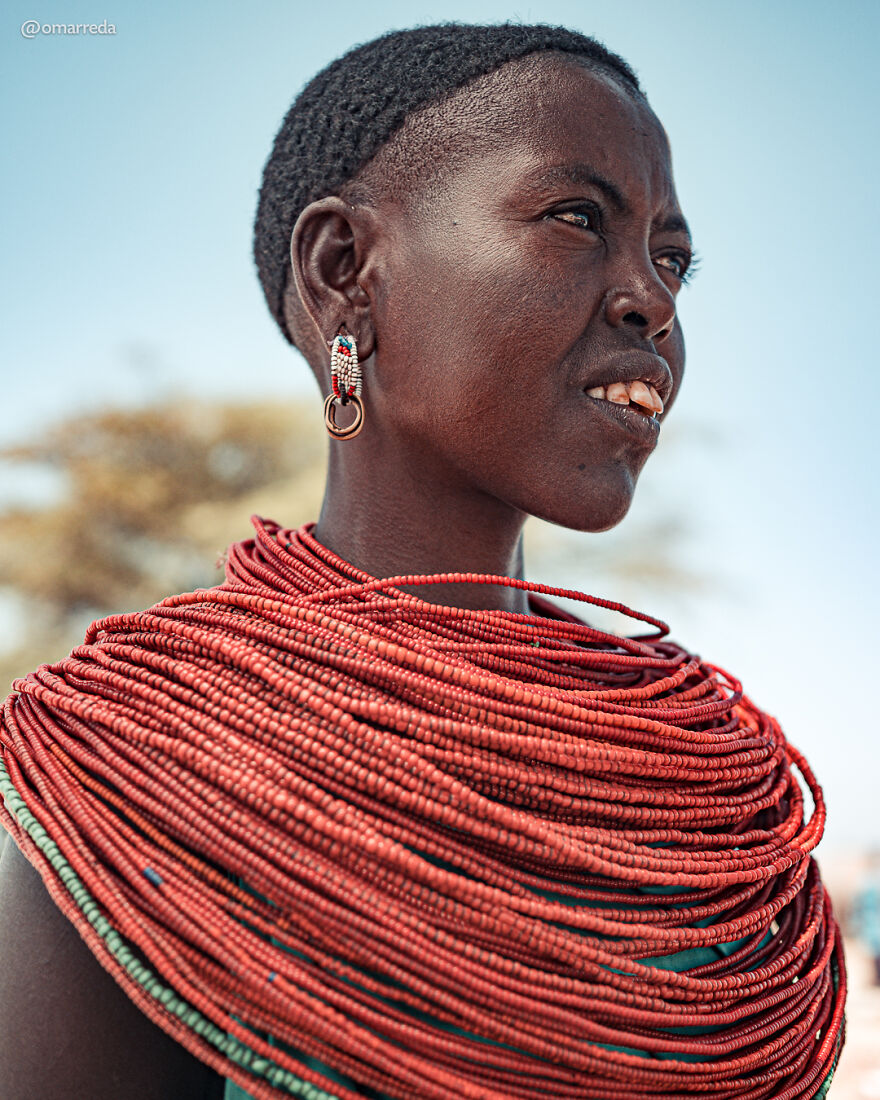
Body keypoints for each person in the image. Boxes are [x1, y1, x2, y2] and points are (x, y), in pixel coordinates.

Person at [0, 23, 844, 1100]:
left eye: (671, 258)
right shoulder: (134, 762)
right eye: (578, 218)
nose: (655, 298)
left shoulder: (714, 800)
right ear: (343, 271)